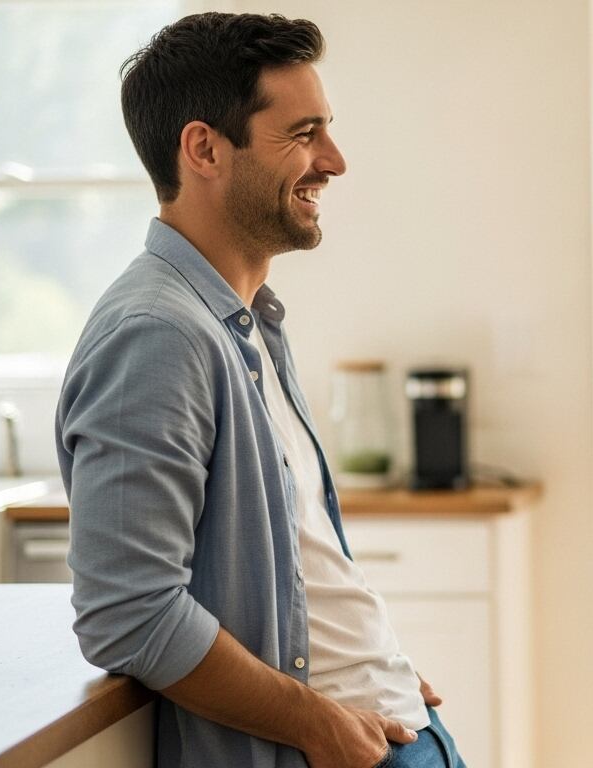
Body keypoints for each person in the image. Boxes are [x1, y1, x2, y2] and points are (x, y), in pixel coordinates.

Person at [55, 13, 464, 768]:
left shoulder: (245, 323)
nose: (333, 161)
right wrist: (318, 722)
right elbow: (129, 610)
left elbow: (292, 562)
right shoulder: (157, 335)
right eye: (303, 133)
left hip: (391, 723)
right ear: (205, 148)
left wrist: (374, 662)